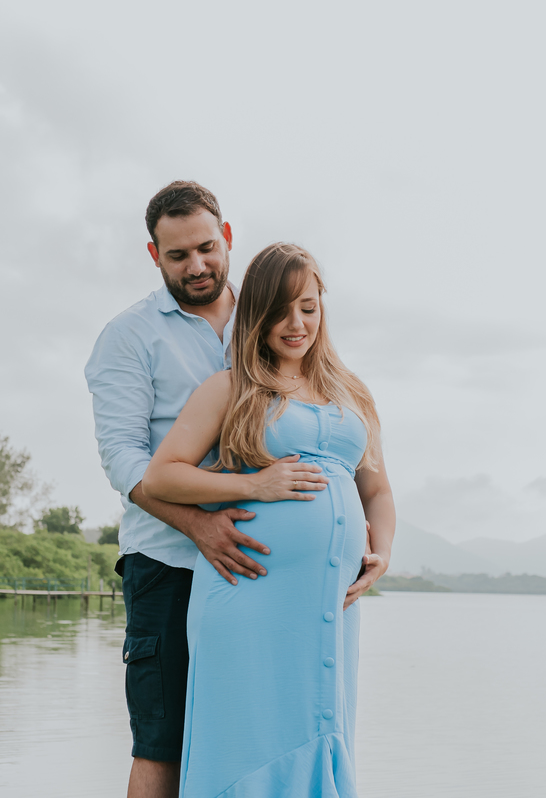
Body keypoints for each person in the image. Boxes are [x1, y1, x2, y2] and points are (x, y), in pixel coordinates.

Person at [85, 183, 389, 798]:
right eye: (177, 256)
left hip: (292, 588)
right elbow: (126, 461)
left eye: (204, 248)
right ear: (154, 256)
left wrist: (375, 544)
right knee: (162, 743)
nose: (195, 265)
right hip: (170, 561)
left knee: (303, 727)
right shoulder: (131, 337)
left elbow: (372, 480)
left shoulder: (267, 321)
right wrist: (202, 522)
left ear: (226, 238)